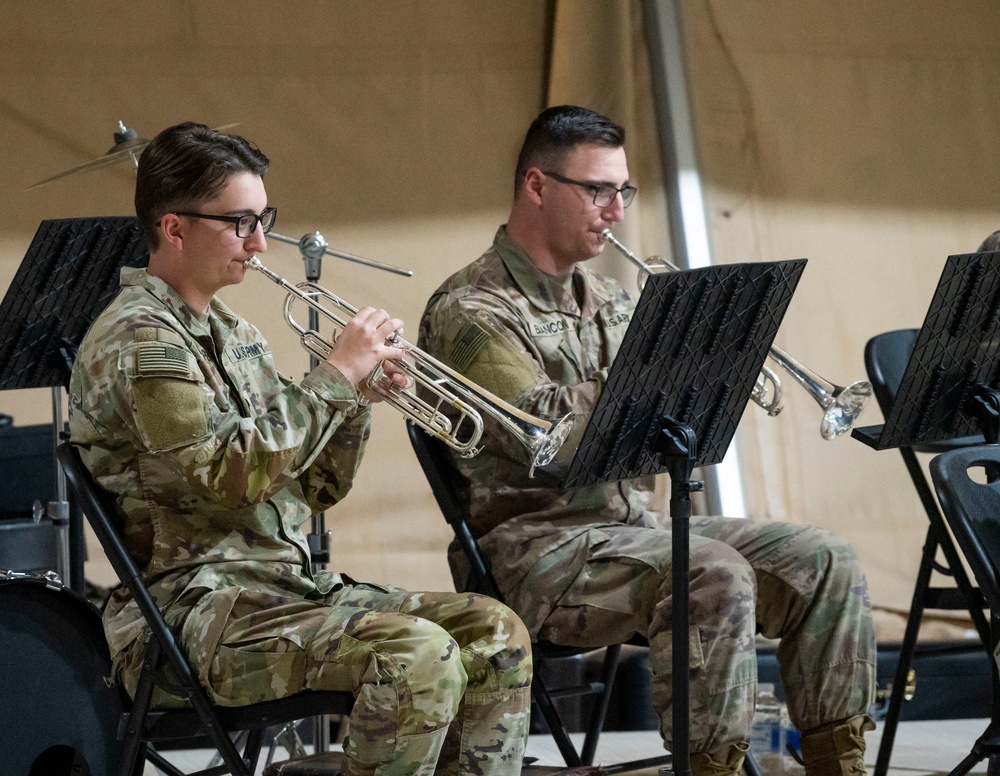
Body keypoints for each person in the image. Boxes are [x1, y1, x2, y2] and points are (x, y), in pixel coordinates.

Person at [418, 105, 877, 776]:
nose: (616, 211)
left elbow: (670, 424)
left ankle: (841, 765)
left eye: (623, 191)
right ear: (538, 187)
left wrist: (709, 361)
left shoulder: (608, 296)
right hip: (534, 553)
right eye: (598, 190)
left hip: (632, 529)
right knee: (712, 574)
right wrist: (645, 373)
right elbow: (542, 437)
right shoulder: (473, 309)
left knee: (827, 559)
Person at [68, 122, 532, 776]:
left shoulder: (234, 333)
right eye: (240, 223)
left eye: (265, 219)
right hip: (195, 616)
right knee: (416, 655)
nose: (260, 243)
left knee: (495, 635)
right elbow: (235, 477)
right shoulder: (144, 346)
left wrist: (358, 401)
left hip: (280, 592)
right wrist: (334, 379)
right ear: (173, 229)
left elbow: (314, 489)